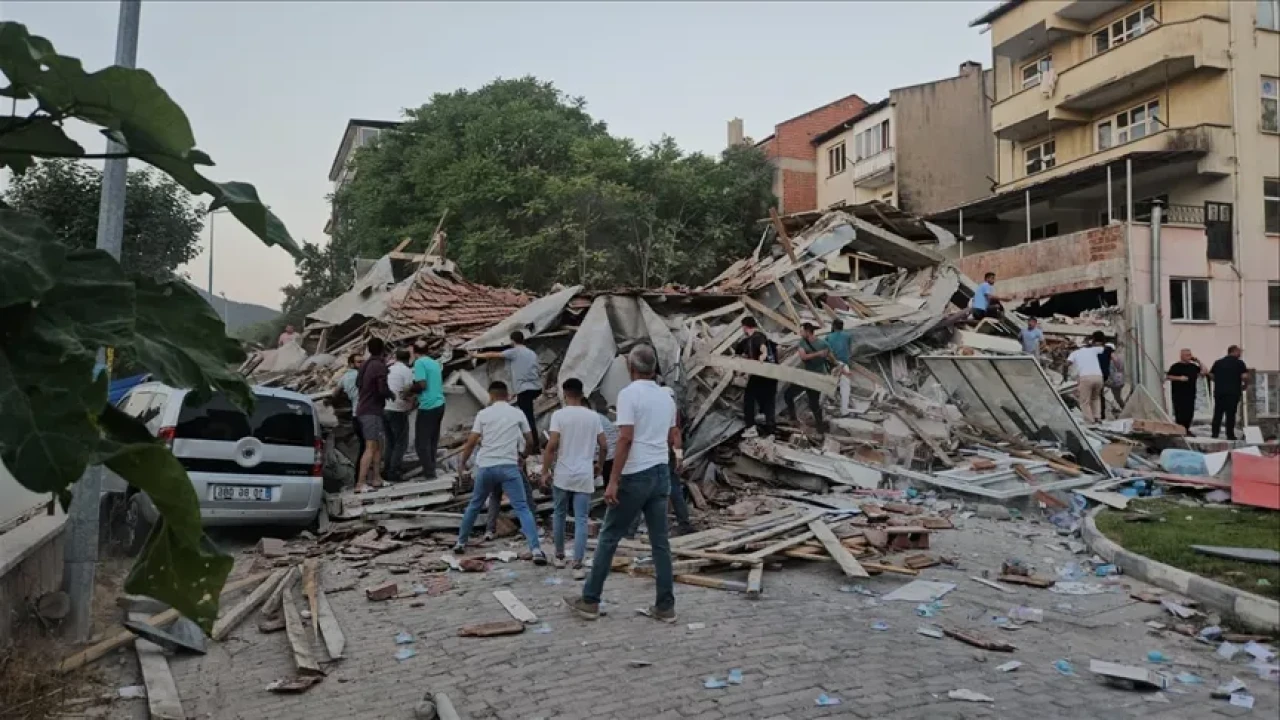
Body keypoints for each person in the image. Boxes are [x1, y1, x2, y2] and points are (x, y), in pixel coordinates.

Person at [566, 345, 679, 623]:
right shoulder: (666, 397)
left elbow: (626, 438)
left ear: (630, 368)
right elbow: (670, 435)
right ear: (653, 369)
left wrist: (613, 480)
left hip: (636, 473)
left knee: (609, 536)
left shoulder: (629, 395)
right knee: (660, 542)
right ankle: (665, 605)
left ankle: (590, 599)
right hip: (660, 471)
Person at [453, 381, 547, 564]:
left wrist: (462, 463)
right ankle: (535, 549)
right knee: (522, 508)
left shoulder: (483, 414)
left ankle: (460, 542)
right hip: (509, 467)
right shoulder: (517, 413)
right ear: (507, 395)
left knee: (474, 505)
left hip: (486, 467)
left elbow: (471, 442)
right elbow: (530, 440)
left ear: (491, 395)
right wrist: (523, 456)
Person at [541, 378, 607, 579]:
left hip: (563, 472)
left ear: (564, 393)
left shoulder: (559, 415)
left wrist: (545, 470)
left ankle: (560, 556)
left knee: (559, 513)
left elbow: (552, 445)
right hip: (584, 473)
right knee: (581, 519)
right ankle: (578, 563)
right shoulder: (593, 417)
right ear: (582, 392)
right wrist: (599, 465)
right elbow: (604, 445)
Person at [627, 386, 694, 538]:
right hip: (665, 453)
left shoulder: (655, 410)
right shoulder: (672, 410)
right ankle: (684, 524)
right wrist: (678, 456)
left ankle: (631, 530)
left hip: (651, 454)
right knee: (674, 489)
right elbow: (675, 435)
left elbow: (674, 434)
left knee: (641, 490)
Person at [475, 331, 543, 452]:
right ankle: (531, 444)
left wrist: (476, 356)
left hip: (525, 389)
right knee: (528, 415)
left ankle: (533, 446)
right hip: (535, 388)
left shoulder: (515, 352)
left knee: (527, 419)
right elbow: (538, 371)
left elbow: (494, 354)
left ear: (512, 341)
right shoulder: (532, 353)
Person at [354, 337, 393, 493]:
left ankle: (377, 479)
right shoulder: (379, 366)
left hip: (364, 409)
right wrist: (391, 394)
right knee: (370, 447)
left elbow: (358, 383)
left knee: (377, 446)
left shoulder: (365, 365)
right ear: (383, 350)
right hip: (372, 411)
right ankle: (360, 484)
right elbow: (382, 389)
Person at [783, 321, 832, 433]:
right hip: (805, 376)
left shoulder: (823, 343)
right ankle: (793, 418)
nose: (800, 333)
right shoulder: (802, 342)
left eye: (802, 331)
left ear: (808, 332)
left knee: (813, 403)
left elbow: (831, 358)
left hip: (817, 377)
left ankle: (820, 427)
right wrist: (818, 354)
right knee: (788, 395)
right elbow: (803, 357)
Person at [733, 316, 777, 435]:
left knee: (750, 398)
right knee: (768, 401)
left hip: (762, 373)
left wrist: (763, 356)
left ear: (745, 327)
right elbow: (738, 352)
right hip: (769, 374)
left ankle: (751, 426)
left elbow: (763, 348)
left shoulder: (757, 338)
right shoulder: (748, 341)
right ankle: (770, 429)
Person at [411, 341, 446, 479]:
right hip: (439, 403)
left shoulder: (419, 363)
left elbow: (422, 384)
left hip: (428, 406)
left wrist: (409, 389)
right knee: (432, 440)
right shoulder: (434, 363)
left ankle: (429, 473)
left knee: (421, 442)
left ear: (414, 352)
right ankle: (431, 470)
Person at [382, 348, 414, 483]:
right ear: (408, 359)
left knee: (390, 441)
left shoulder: (389, 368)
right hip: (397, 410)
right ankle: (393, 472)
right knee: (401, 443)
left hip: (384, 408)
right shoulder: (406, 371)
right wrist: (410, 402)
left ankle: (386, 469)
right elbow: (407, 389)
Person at [1208, 345, 1249, 441]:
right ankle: (1230, 435)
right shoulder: (1239, 363)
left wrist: (1219, 381)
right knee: (1230, 414)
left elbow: (1211, 375)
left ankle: (1215, 433)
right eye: (1239, 352)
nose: (1240, 354)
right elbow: (1245, 377)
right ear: (1234, 351)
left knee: (1218, 413)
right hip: (1233, 392)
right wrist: (1245, 385)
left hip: (1220, 392)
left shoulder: (1218, 362)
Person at [1067, 334, 1105, 424]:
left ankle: (1089, 421)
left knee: (1084, 401)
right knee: (1096, 398)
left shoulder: (1075, 353)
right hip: (1099, 377)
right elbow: (1103, 348)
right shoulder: (1093, 350)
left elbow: (1067, 363)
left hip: (1085, 377)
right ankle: (1097, 417)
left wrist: (1065, 374)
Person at [1166, 348, 1204, 434]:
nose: (1189, 357)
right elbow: (1168, 376)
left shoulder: (1193, 366)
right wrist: (1179, 378)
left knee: (1189, 413)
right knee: (1180, 413)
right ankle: (1180, 430)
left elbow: (1204, 372)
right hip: (1179, 394)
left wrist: (1198, 361)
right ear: (1182, 356)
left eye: (1190, 355)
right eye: (1187, 355)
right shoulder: (1175, 366)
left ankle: (1187, 429)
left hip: (1190, 393)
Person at [338, 352, 364, 477]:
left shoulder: (344, 377)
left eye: (362, 361)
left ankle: (359, 475)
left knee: (363, 447)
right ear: (351, 364)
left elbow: (334, 394)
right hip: (364, 415)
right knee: (368, 448)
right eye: (359, 362)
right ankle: (361, 477)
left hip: (355, 415)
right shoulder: (361, 376)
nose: (362, 364)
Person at [825, 319, 855, 416]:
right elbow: (850, 351)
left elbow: (826, 352)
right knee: (845, 387)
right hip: (843, 364)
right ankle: (844, 410)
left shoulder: (828, 337)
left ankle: (823, 408)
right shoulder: (848, 336)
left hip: (832, 364)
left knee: (827, 385)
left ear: (833, 326)